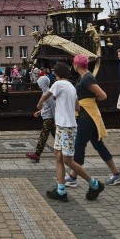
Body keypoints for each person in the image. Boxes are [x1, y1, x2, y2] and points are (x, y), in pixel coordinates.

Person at [37, 62, 105, 202]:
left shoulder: (58, 84)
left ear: (56, 74)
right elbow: (77, 107)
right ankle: (61, 190)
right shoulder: (72, 87)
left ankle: (94, 184)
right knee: (58, 156)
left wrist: (39, 105)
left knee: (67, 160)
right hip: (65, 125)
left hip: (65, 126)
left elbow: (46, 96)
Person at [64, 54, 120, 187]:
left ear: (78, 64)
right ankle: (116, 174)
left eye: (74, 63)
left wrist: (88, 102)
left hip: (88, 116)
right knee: (98, 145)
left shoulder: (87, 78)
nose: (73, 65)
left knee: (79, 145)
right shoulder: (85, 77)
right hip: (88, 115)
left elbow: (102, 95)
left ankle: (73, 177)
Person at [26, 75, 55, 163]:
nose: (38, 84)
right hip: (48, 117)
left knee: (43, 136)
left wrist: (55, 119)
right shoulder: (45, 92)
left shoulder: (48, 93)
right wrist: (39, 112)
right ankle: (67, 150)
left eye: (39, 83)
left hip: (49, 118)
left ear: (42, 84)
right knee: (57, 136)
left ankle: (37, 154)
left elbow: (53, 107)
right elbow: (47, 107)